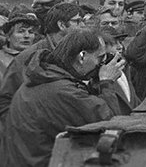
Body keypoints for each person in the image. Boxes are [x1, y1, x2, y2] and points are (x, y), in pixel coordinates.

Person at [0, 28, 125, 166]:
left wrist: (95, 81)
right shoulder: (63, 91)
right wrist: (106, 82)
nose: (102, 64)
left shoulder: (45, 77)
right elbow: (111, 125)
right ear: (82, 56)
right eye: (100, 58)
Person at [0, 2, 84, 129]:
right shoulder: (27, 58)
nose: (83, 26)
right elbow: (6, 100)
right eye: (77, 21)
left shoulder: (75, 53)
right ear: (61, 25)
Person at [0, 13, 40, 78]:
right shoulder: (1, 59)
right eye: (21, 31)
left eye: (31, 32)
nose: (27, 36)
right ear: (8, 36)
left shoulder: (39, 57)